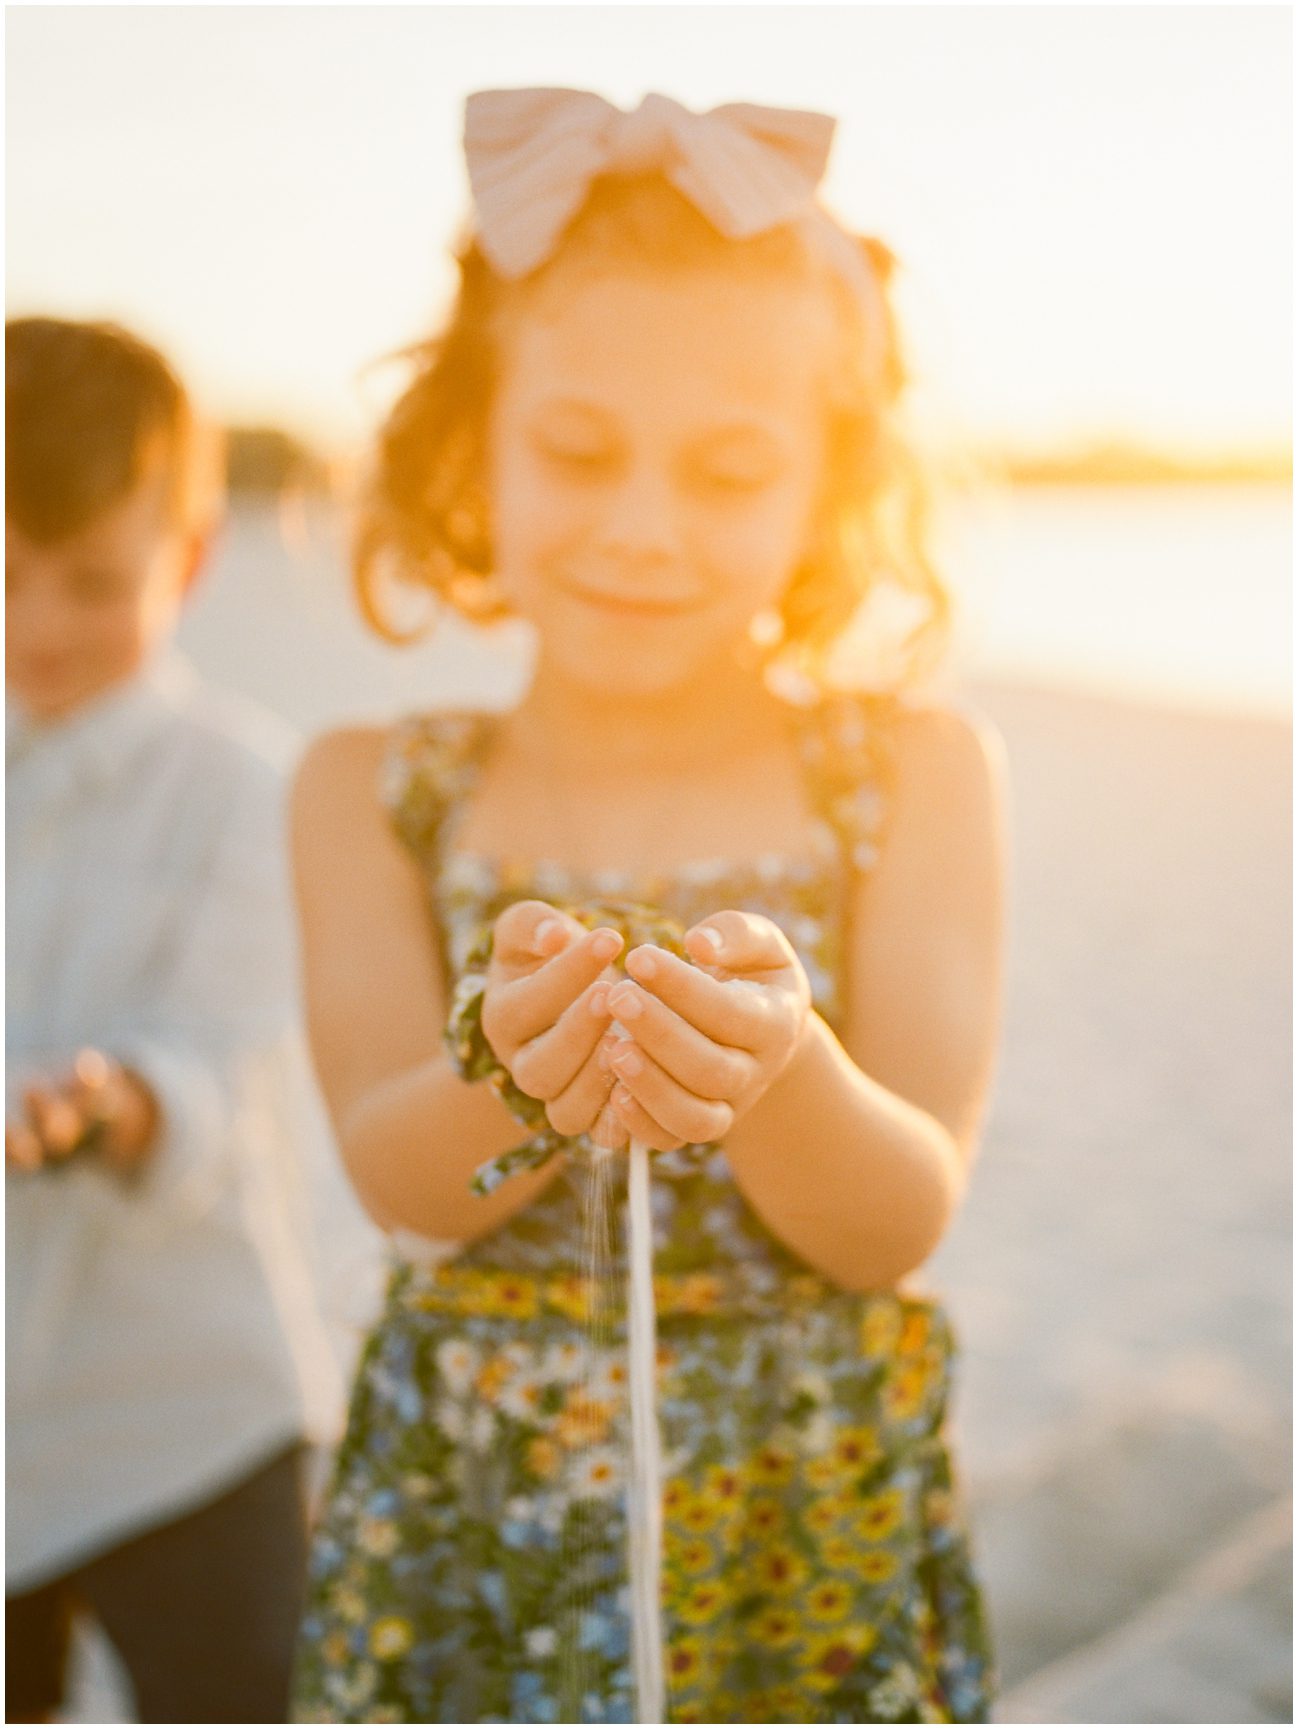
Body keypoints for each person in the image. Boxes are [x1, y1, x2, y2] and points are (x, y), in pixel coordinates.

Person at [291, 89, 1006, 1725]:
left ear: (827, 485)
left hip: (791, 1511)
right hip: (475, 1505)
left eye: (727, 470)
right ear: (472, 438)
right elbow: (399, 1176)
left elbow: (899, 1210)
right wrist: (514, 1071)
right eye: (577, 450)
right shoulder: (367, 788)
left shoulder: (909, 775)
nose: (639, 527)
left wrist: (778, 1072)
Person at [5, 316, 343, 1723]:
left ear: (189, 562)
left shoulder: (248, 787)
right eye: (5, 575)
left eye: (91, 582)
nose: (37, 624)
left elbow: (218, 1060)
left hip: (186, 1409)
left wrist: (107, 1104)